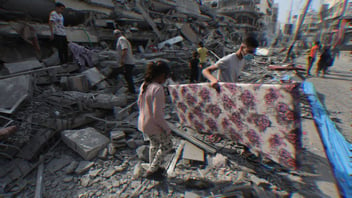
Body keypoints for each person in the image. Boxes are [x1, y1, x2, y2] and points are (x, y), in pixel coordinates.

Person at [137, 61, 173, 179]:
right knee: (167, 145)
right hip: (153, 124)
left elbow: (139, 103)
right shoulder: (158, 89)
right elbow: (157, 115)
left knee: (154, 144)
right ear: (162, 75)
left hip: (143, 123)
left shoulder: (145, 85)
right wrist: (166, 128)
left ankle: (154, 166)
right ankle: (152, 170)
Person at [113, 29, 136, 94]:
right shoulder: (123, 39)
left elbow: (124, 49)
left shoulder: (121, 39)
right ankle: (130, 89)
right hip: (128, 62)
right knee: (127, 76)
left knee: (128, 76)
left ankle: (132, 91)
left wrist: (122, 60)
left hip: (127, 62)